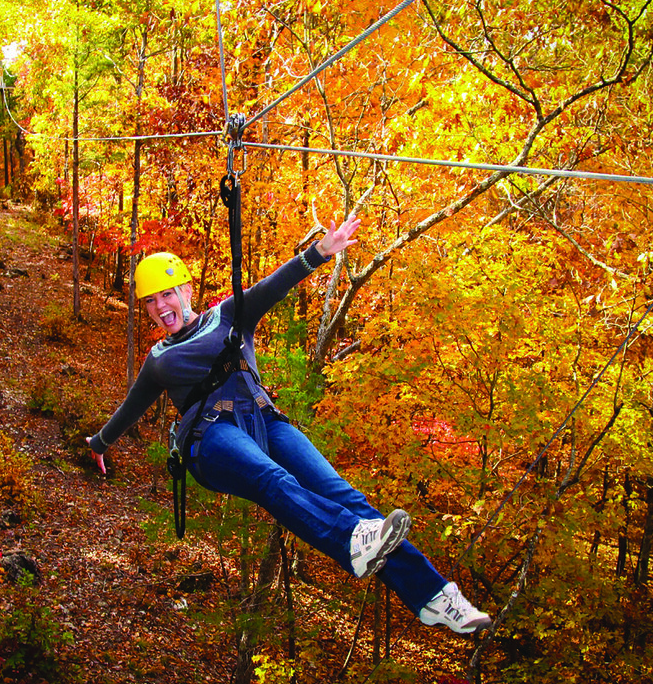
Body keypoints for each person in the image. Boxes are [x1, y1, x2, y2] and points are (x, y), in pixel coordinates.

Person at [87, 215, 491, 634]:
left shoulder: (227, 315)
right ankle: (350, 541)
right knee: (271, 477)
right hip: (209, 440)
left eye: (166, 294)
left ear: (187, 290)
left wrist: (319, 253)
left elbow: (270, 287)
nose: (159, 307)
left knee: (347, 498)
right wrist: (99, 442)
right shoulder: (158, 360)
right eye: (150, 301)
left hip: (262, 421)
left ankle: (435, 598)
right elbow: (130, 409)